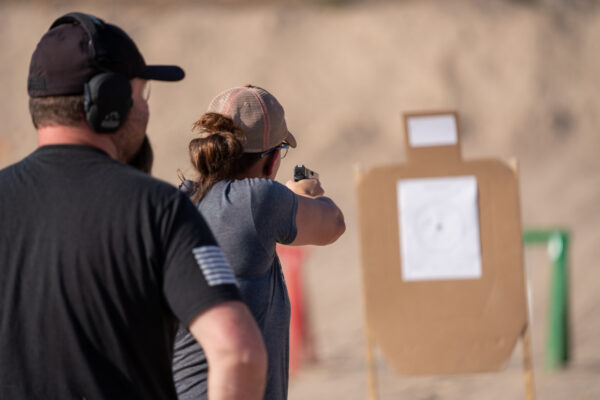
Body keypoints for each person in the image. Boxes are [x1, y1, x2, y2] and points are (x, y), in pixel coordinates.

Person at [0, 13, 267, 400]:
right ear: (108, 102)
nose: (144, 109)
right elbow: (239, 353)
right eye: (141, 95)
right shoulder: (157, 210)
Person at [172, 85, 346, 400]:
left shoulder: (177, 201)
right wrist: (305, 192)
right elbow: (333, 224)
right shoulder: (260, 200)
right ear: (271, 159)